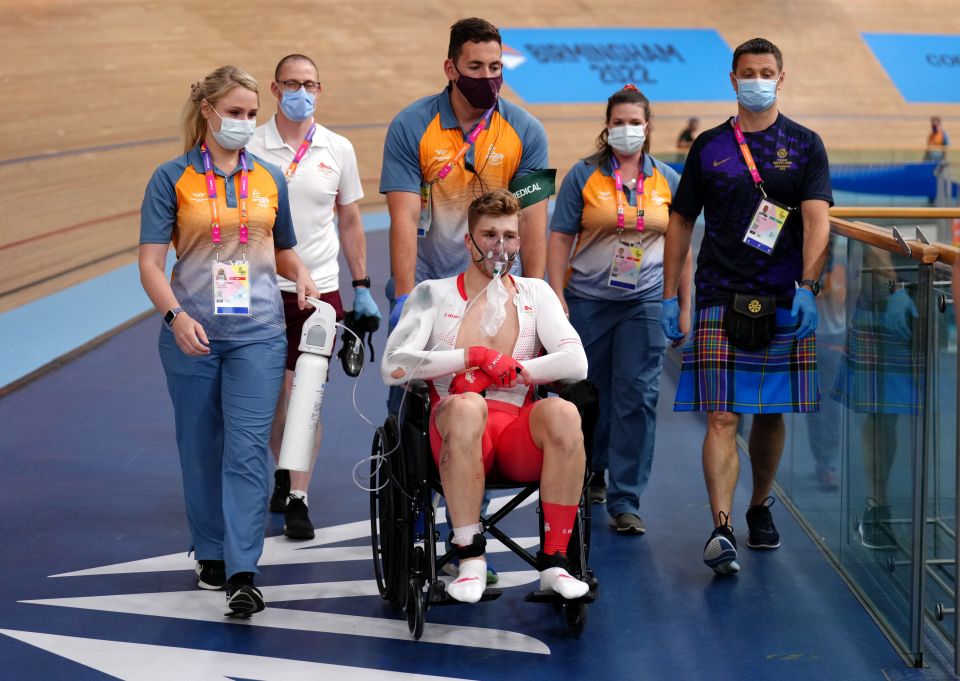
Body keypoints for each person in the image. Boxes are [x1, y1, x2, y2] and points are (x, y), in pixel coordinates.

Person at [138, 65, 319, 617]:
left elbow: (282, 246)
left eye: (249, 114)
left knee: (246, 453)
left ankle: (244, 569)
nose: (243, 122)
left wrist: (302, 272)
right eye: (234, 113)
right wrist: (174, 318)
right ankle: (210, 549)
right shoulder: (171, 179)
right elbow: (149, 263)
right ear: (208, 112)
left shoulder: (269, 178)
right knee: (201, 448)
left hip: (259, 336)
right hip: (191, 336)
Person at [661, 38, 832, 575]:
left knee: (770, 413)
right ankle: (721, 527)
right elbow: (681, 221)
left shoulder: (805, 145)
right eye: (747, 72)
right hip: (717, 296)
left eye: (766, 71)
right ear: (732, 80)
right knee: (721, 415)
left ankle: (759, 506)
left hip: (784, 297)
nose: (757, 79)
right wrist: (673, 295)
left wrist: (809, 285)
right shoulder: (708, 146)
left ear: (781, 78)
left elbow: (817, 220)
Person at [381, 189, 591, 604]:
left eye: (510, 236)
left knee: (564, 412)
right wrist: (472, 356)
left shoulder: (536, 292)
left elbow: (577, 363)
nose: (501, 246)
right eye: (490, 234)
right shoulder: (432, 292)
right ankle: (470, 557)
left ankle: (554, 562)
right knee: (466, 404)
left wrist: (518, 370)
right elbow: (393, 366)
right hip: (456, 429)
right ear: (469, 240)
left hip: (515, 434)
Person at [247, 54, 380, 541]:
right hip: (261, 289)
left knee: (307, 396)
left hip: (319, 292)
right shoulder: (253, 145)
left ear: (320, 90)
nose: (301, 92)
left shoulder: (337, 148)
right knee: (272, 398)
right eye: (291, 84)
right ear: (275, 89)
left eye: (310, 84)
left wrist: (360, 285)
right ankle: (283, 470)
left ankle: (298, 495)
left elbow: (349, 219)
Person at [547, 85, 691, 534]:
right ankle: (589, 470)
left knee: (638, 395)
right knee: (588, 393)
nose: (626, 130)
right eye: (618, 122)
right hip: (589, 301)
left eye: (634, 123)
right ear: (606, 127)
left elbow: (680, 246)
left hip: (644, 302)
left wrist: (682, 304)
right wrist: (555, 296)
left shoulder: (668, 178)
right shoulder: (582, 176)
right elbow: (559, 237)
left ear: (647, 128)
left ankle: (625, 498)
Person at [380, 16, 551, 331]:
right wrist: (405, 296)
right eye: (475, 67)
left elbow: (532, 217)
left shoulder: (528, 130)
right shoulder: (410, 125)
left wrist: (534, 296)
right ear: (451, 69)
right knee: (420, 381)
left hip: (497, 291)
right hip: (427, 290)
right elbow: (403, 217)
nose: (487, 77)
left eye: (495, 67)